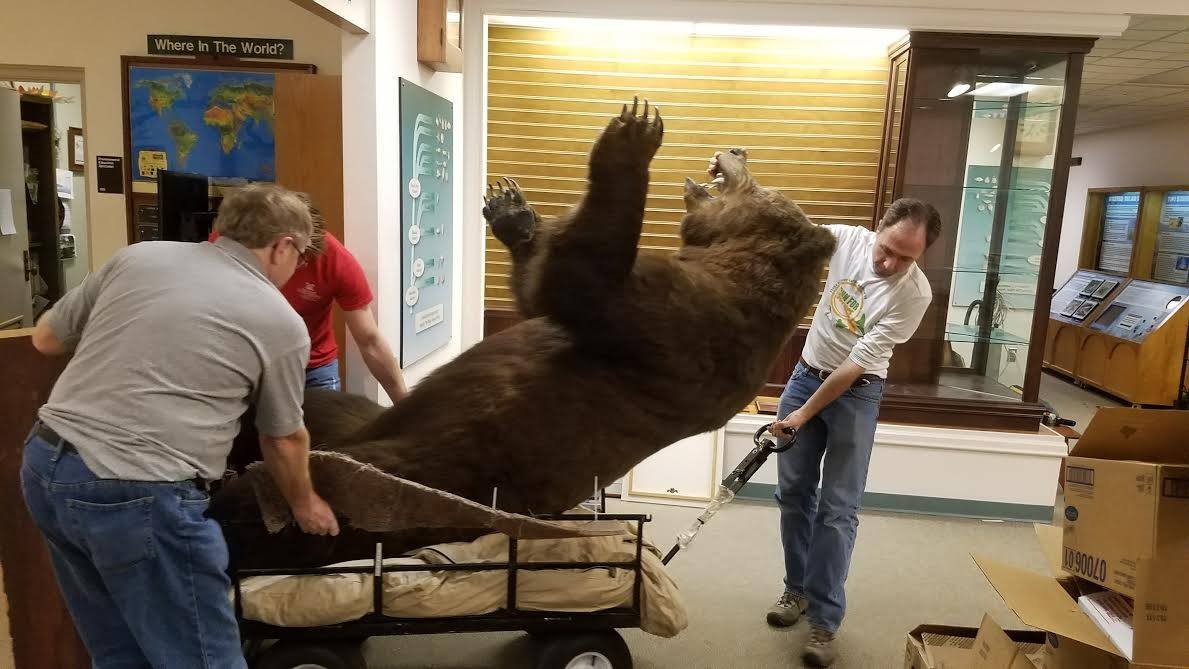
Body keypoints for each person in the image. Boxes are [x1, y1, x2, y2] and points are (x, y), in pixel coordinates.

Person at [21, 183, 340, 668]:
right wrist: (305, 503)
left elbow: (45, 338)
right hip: (139, 494)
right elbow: (282, 436)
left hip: (46, 467)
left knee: (118, 649)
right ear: (283, 246)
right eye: (301, 254)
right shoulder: (279, 320)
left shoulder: (139, 257)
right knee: (202, 658)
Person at [764, 195, 941, 667]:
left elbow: (855, 365)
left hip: (857, 392)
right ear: (876, 229)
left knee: (838, 509)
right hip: (805, 374)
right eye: (887, 249)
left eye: (906, 257)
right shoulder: (845, 239)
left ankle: (824, 624)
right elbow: (785, 227)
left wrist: (801, 415)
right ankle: (795, 590)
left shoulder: (914, 294)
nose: (890, 263)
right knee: (793, 492)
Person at [212, 203, 408, 402]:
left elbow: (370, 340)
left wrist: (407, 408)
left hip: (313, 365)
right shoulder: (229, 247)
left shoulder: (336, 261)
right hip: (247, 362)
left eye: (302, 262)